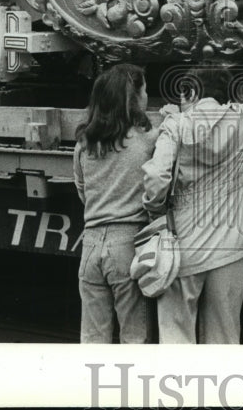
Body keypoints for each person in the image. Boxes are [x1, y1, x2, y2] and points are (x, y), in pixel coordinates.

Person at [143, 33, 243, 343]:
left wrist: (154, 209)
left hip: (184, 248)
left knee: (176, 337)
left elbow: (155, 178)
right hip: (230, 248)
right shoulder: (241, 119)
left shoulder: (176, 125)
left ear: (192, 92)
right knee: (225, 336)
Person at [73, 63, 155, 344]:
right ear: (134, 98)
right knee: (135, 339)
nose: (147, 96)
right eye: (144, 90)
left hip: (91, 245)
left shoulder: (84, 144)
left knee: (93, 340)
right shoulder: (146, 141)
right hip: (127, 245)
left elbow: (82, 190)